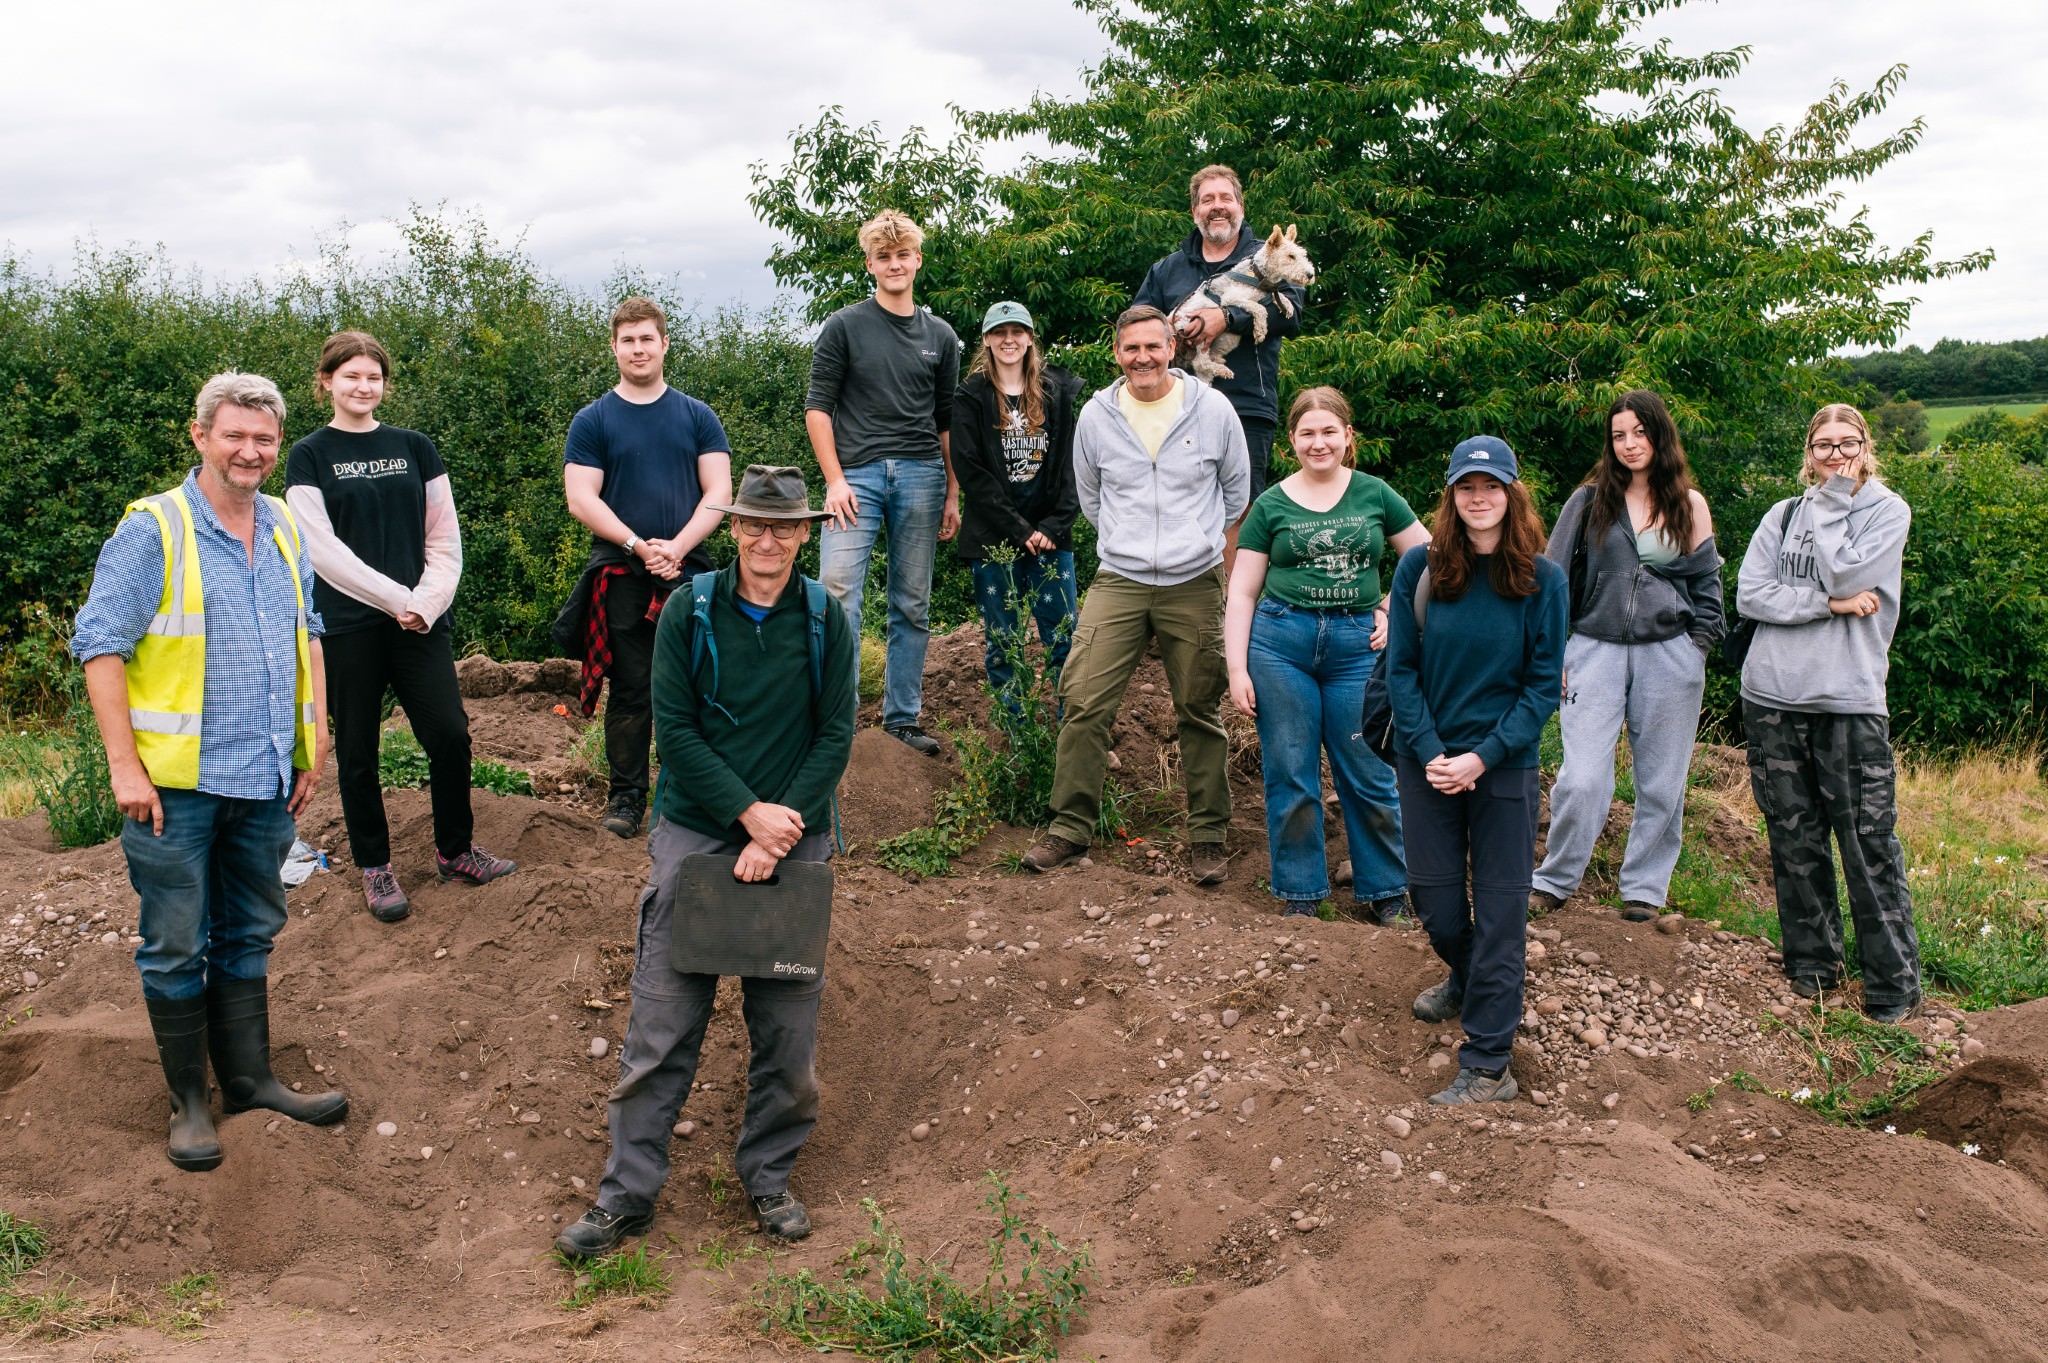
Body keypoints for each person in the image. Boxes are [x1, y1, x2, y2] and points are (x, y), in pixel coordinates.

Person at [556, 465, 857, 1259]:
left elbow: (835, 735)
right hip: (697, 831)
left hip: (794, 835)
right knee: (660, 1027)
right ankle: (626, 1196)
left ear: (804, 533)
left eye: (782, 526)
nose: (766, 539)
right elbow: (677, 733)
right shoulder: (689, 608)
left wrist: (775, 829)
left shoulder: (827, 617)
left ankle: (768, 1179)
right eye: (753, 524)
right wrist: (746, 816)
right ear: (733, 530)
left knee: (787, 1033)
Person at [71, 372, 348, 1170]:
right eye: (235, 435)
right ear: (201, 436)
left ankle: (251, 1078)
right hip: (175, 789)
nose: (251, 451)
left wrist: (314, 738)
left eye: (264, 439)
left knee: (250, 930)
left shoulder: (287, 524)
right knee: (174, 940)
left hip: (264, 777)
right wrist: (125, 766)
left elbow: (312, 632)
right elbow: (100, 646)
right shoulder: (154, 528)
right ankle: (189, 1100)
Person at [284, 332, 514, 922]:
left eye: (374, 377)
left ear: (384, 383)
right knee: (358, 750)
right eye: (351, 376)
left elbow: (444, 536)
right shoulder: (309, 454)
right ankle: (375, 867)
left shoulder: (415, 446)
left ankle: (455, 850)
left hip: (419, 623)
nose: (364, 386)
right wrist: (396, 598)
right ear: (327, 382)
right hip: (349, 624)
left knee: (449, 736)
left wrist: (428, 602)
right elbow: (321, 549)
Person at [1021, 305, 1249, 884]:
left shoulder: (1213, 408)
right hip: (1119, 579)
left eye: (1153, 346)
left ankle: (1207, 836)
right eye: (1131, 349)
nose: (1142, 357)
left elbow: (1235, 494)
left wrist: (1197, 549)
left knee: (1199, 707)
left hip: (1193, 581)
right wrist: (1128, 544)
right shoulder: (1098, 416)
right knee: (1083, 698)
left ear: (1172, 347)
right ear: (1117, 353)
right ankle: (1069, 829)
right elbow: (1091, 496)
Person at [1384, 437, 1567, 1105]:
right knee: (1433, 899)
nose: (1479, 496)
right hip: (1426, 759)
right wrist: (1432, 749)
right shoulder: (1422, 569)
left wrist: (1481, 758)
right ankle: (1468, 976)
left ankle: (1490, 1062)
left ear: (1512, 493)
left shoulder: (1544, 580)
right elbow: (1401, 669)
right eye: (1467, 486)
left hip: (1504, 767)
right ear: (1452, 495)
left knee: (1500, 914)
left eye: (1492, 485)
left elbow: (1542, 687)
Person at [1736, 403, 1920, 1022]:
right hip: (1771, 696)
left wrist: (1838, 496)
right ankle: (1813, 967)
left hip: (1849, 700)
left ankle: (1891, 987)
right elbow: (1750, 593)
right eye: (1823, 446)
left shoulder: (1887, 512)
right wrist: (1828, 606)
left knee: (1867, 844)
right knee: (1794, 840)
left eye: (1847, 445)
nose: (1834, 456)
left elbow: (1849, 570)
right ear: (1807, 452)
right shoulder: (1783, 514)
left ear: (1866, 447)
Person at [1224, 387, 1430, 920]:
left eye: (1329, 432)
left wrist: (1390, 611)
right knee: (1291, 774)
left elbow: (1429, 561)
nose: (1319, 443)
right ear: (1291, 440)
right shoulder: (1270, 504)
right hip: (1280, 647)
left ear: (1347, 437)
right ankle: (1300, 896)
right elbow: (1242, 591)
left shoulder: (1375, 494)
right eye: (1307, 433)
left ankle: (1386, 895)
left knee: (1370, 773)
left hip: (1356, 649)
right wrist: (1237, 668)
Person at [1530, 390, 1723, 922]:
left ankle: (1644, 889)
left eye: (1640, 432)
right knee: (1583, 776)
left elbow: (1708, 587)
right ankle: (1554, 878)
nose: (1630, 443)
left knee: (1661, 782)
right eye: (1619, 435)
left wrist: (1697, 647)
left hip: (1671, 655)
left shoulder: (1689, 504)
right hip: (1595, 649)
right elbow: (1553, 580)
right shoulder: (1590, 501)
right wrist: (1555, 647)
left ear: (1660, 435)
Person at [563, 297, 734, 838]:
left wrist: (677, 548)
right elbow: (581, 499)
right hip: (621, 569)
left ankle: (702, 794)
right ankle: (626, 799)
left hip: (691, 569)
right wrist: (640, 545)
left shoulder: (696, 415)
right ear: (614, 347)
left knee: (702, 683)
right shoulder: (593, 420)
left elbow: (720, 490)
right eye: (628, 340)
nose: (638, 348)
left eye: (647, 339)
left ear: (665, 344)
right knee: (633, 688)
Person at [805, 210, 962, 756]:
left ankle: (902, 720)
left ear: (917, 260)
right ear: (870, 263)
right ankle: (836, 725)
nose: (894, 265)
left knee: (912, 603)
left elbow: (947, 420)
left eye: (903, 255)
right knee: (838, 595)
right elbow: (817, 409)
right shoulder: (844, 325)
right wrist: (834, 481)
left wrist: (953, 491)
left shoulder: (940, 336)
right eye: (883, 257)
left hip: (923, 474)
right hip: (857, 479)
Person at [1134, 164, 1305, 557]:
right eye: (1207, 199)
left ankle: (1230, 614)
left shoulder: (1270, 255)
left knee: (1240, 508)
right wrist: (1171, 335)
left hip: (1246, 404)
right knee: (1176, 503)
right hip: (1175, 406)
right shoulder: (1166, 270)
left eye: (1225, 198)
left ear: (1240, 205)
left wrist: (1227, 318)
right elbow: (1138, 329)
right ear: (1195, 211)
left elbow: (1291, 313)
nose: (1217, 207)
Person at [950, 301, 1083, 712]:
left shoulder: (1056, 391)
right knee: (1004, 645)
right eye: (999, 332)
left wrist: (1054, 525)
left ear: (1029, 338)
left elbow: (1071, 464)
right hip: (995, 539)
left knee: (1064, 640)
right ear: (987, 340)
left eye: (1017, 332)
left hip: (1049, 539)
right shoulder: (970, 396)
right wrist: (1020, 530)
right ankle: (1017, 737)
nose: (1009, 340)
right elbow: (970, 470)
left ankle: (1071, 732)